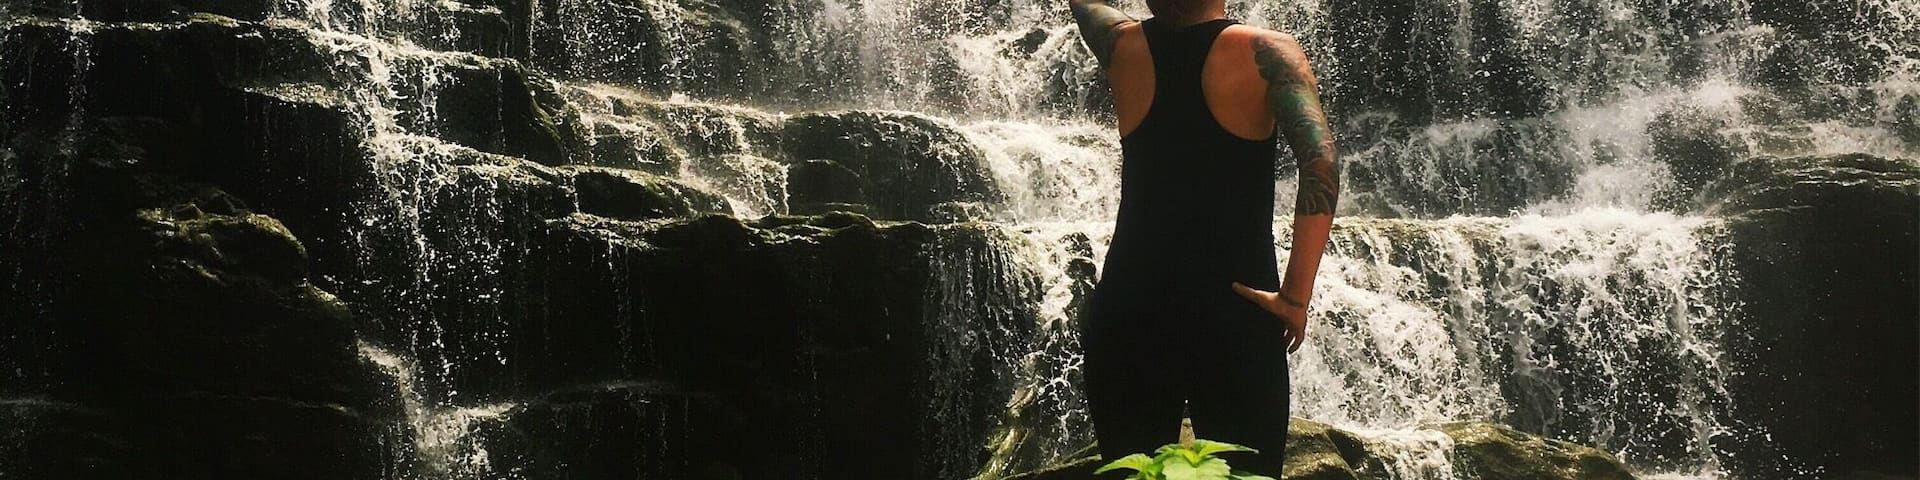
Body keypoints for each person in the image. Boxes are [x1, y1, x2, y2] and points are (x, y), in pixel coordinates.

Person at [1066, 0, 1339, 476]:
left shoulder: (1120, 44)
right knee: (1246, 475)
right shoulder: (1268, 52)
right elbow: (1320, 161)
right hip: (1238, 313)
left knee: (1133, 473)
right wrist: (1296, 296)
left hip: (1129, 309)